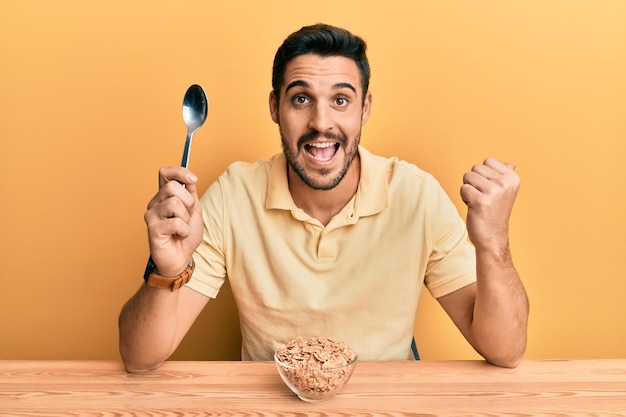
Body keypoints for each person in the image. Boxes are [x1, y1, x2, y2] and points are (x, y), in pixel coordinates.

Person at [118, 23, 529, 373]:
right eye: (301, 99)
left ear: (364, 108)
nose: (321, 123)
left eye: (340, 100)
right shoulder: (234, 194)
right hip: (272, 404)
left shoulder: (415, 196)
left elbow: (505, 350)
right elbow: (139, 360)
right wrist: (167, 271)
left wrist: (494, 244)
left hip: (384, 405)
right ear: (275, 107)